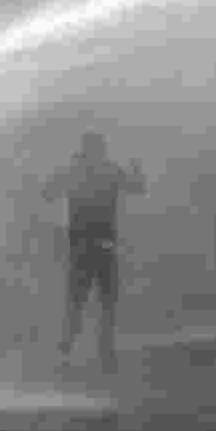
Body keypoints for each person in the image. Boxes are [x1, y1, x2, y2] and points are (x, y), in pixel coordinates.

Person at [41, 131, 146, 374]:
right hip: (103, 247)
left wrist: (57, 177)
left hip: (81, 247)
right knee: (105, 305)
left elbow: (46, 193)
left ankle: (65, 354)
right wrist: (137, 167)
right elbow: (138, 187)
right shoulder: (109, 171)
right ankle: (103, 356)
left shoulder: (75, 172)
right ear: (100, 150)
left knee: (77, 304)